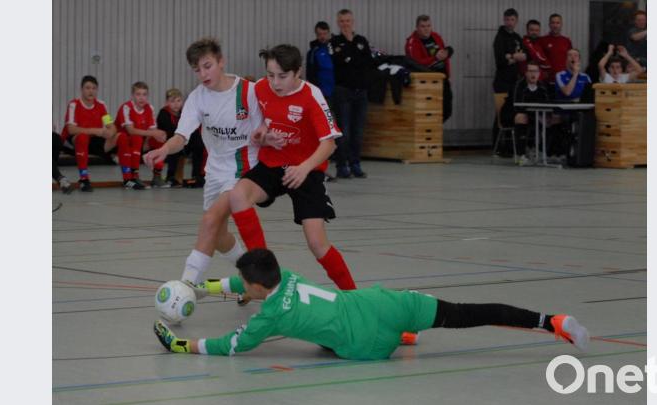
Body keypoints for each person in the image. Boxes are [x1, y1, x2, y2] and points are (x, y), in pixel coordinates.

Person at [153, 248, 590, 360]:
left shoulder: (269, 315)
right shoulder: (288, 274)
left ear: (257, 288)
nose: (242, 291)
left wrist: (182, 345)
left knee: (326, 341)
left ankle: (400, 339)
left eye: (246, 288)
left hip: (368, 345)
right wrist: (201, 288)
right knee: (468, 313)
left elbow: (231, 345)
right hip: (386, 305)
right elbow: (240, 281)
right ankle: (552, 321)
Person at [226, 44, 360, 292]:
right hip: (273, 163)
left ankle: (353, 295)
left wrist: (304, 168)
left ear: (298, 72)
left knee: (317, 243)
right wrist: (264, 136)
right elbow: (257, 128)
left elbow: (329, 144)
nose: (275, 83)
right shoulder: (261, 88)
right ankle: (263, 274)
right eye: (270, 75)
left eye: (282, 76)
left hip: (306, 170)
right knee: (237, 196)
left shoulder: (312, 95)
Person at [143, 38, 263, 288]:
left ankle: (186, 286)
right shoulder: (197, 98)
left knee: (209, 221)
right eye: (197, 70)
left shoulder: (249, 92)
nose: (203, 74)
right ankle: (251, 276)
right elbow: (181, 136)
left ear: (221, 62)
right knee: (218, 236)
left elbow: (267, 126)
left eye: (208, 66)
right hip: (215, 173)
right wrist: (164, 149)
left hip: (243, 170)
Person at [330, 9, 373, 179]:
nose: (345, 24)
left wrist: (350, 57)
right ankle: (342, 165)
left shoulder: (362, 40)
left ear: (353, 22)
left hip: (360, 92)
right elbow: (339, 62)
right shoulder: (334, 42)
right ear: (338, 23)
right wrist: (350, 49)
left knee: (358, 131)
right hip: (343, 92)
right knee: (344, 131)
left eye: (348, 21)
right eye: (342, 21)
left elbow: (367, 62)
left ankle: (355, 164)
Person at [60, 75, 118, 192]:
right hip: (73, 140)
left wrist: (111, 132)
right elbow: (71, 129)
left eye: (94, 88)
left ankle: (130, 178)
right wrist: (96, 131)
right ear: (82, 90)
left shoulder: (101, 105)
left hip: (92, 140)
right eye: (87, 88)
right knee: (82, 138)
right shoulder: (74, 104)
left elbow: (110, 125)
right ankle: (84, 178)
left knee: (121, 137)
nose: (91, 91)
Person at [114, 81, 167, 189]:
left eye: (144, 94)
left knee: (159, 139)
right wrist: (151, 134)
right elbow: (131, 131)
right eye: (138, 94)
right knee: (136, 138)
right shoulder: (126, 107)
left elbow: (152, 130)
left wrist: (152, 138)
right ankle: (131, 177)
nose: (141, 98)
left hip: (140, 141)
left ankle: (157, 176)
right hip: (122, 141)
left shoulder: (149, 108)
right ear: (132, 96)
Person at [405, 14, 455, 122]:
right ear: (417, 28)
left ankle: (435, 129)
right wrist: (435, 58)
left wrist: (447, 52)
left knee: (447, 111)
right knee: (429, 112)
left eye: (428, 26)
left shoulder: (436, 36)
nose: (426, 29)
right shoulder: (412, 42)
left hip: (442, 78)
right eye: (423, 26)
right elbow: (416, 64)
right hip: (426, 82)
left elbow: (443, 55)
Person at [501, 62, 552, 165]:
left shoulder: (542, 86)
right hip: (512, 114)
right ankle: (520, 154)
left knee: (552, 120)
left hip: (534, 114)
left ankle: (542, 151)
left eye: (536, 71)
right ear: (526, 73)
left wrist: (544, 117)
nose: (533, 74)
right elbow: (517, 106)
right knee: (522, 117)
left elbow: (546, 103)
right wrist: (535, 116)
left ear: (539, 73)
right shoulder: (518, 85)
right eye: (530, 71)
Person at [154, 88, 206, 188]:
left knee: (198, 142)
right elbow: (171, 131)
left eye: (178, 101)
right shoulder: (163, 113)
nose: (176, 104)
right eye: (172, 101)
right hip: (168, 143)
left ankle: (196, 175)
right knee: (174, 145)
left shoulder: (184, 112)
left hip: (184, 143)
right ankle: (171, 176)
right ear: (167, 102)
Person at [306, 21, 338, 182]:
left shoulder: (335, 48)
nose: (322, 37)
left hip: (337, 94)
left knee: (338, 131)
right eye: (319, 34)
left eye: (325, 34)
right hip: (323, 96)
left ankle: (340, 164)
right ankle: (320, 168)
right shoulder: (314, 52)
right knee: (324, 132)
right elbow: (310, 74)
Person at [492, 8, 526, 95]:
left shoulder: (517, 37)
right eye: (507, 20)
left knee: (515, 104)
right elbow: (500, 61)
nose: (510, 22)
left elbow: (523, 56)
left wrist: (509, 56)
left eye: (512, 19)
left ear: (516, 21)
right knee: (502, 104)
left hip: (515, 81)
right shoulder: (499, 38)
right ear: (504, 20)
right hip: (502, 82)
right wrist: (514, 56)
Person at [540, 13, 573, 86]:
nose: (555, 25)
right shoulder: (542, 40)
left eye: (558, 23)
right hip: (547, 81)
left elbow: (571, 60)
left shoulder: (566, 41)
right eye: (553, 23)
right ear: (549, 24)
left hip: (563, 80)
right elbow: (538, 59)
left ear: (561, 24)